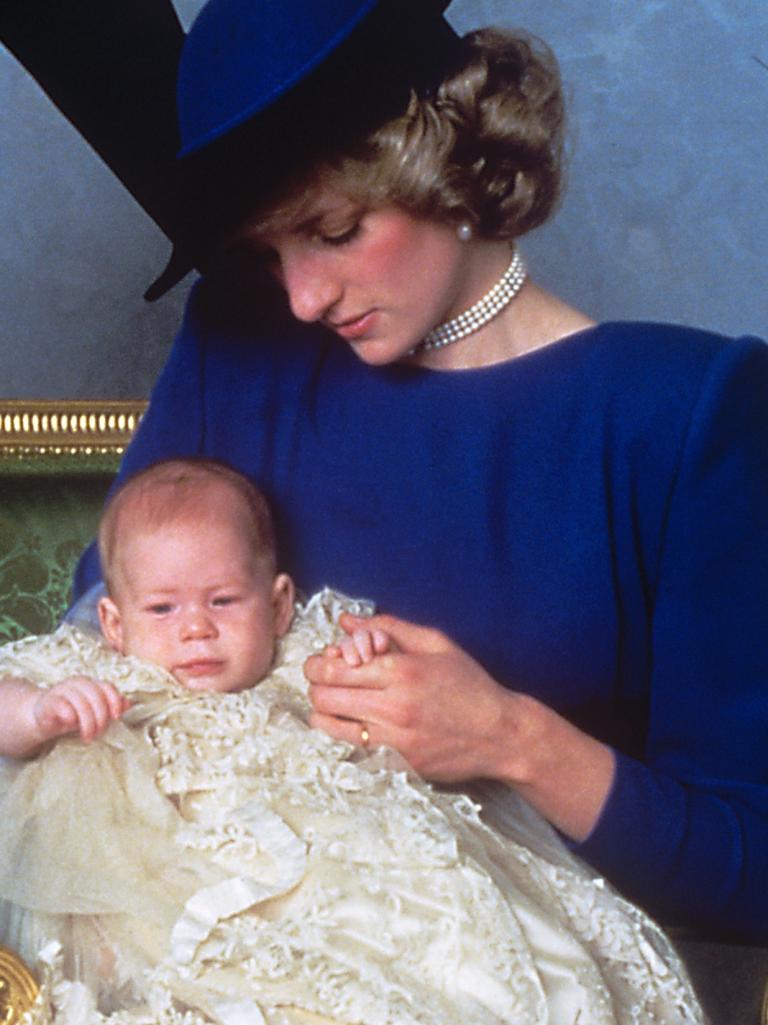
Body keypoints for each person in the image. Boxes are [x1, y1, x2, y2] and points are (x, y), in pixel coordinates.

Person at [71, 0, 768, 943]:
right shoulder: (238, 342)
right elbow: (90, 652)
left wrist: (510, 738)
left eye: (333, 227)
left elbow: (747, 863)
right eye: (270, 252)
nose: (305, 296)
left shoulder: (686, 411)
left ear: (448, 162)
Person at [0, 458, 705, 1025]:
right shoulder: (95, 672)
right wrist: (38, 710)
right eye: (163, 608)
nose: (196, 628)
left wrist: (367, 656)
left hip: (337, 862)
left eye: (223, 601)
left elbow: (394, 695)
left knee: (448, 942)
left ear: (276, 603)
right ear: (116, 624)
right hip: (168, 877)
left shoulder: (303, 655)